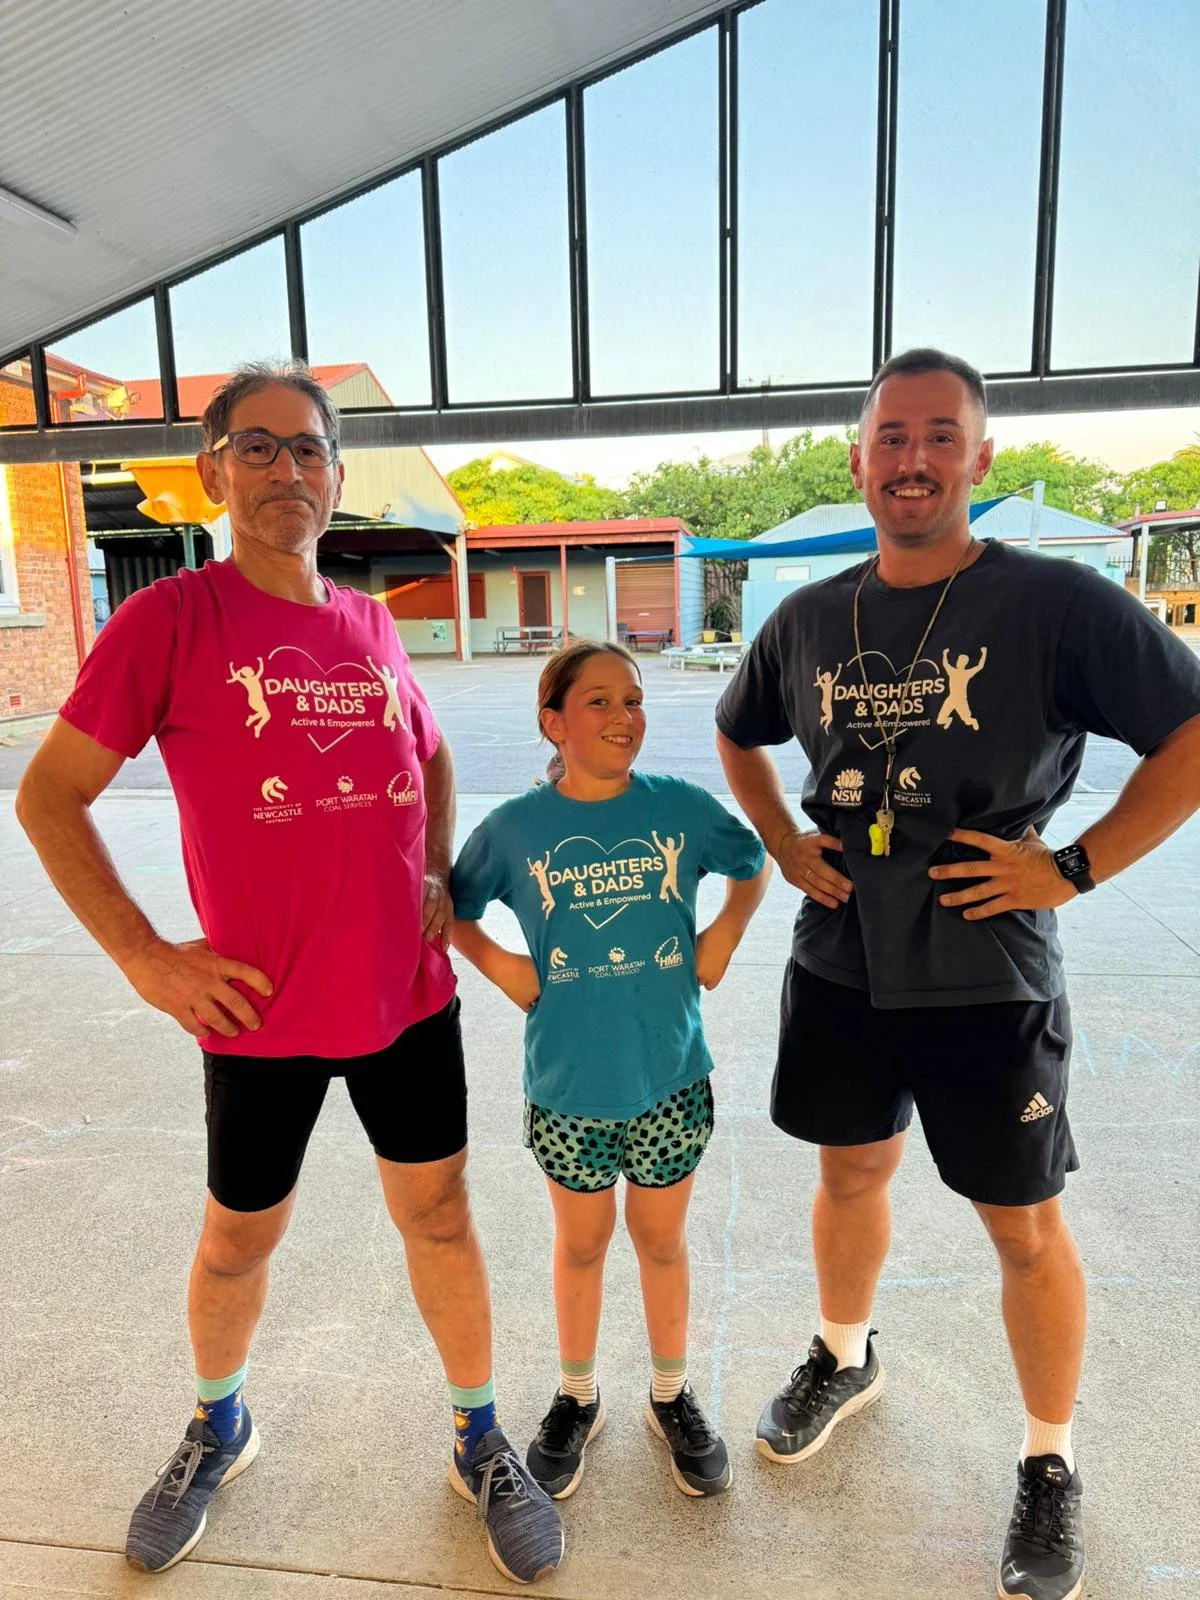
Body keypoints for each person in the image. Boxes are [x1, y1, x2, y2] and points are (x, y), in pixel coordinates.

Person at [15, 361, 563, 1586]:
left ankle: (479, 1434)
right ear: (213, 470)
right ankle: (220, 1420)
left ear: (335, 474)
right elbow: (49, 796)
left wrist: (437, 882)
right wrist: (146, 956)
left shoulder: (368, 622)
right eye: (255, 449)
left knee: (441, 1216)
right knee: (236, 1242)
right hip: (258, 1015)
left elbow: (428, 753)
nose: (285, 471)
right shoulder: (170, 621)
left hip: (405, 1003)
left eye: (307, 450)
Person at [714, 347, 1200, 1600]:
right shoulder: (812, 616)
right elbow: (736, 726)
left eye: (941, 436)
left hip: (988, 965)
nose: (913, 459)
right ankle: (844, 1351)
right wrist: (780, 836)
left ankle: (1049, 1458)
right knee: (850, 1167)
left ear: (980, 459)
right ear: (859, 457)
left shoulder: (1053, 604)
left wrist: (1076, 866)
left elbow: (1191, 732)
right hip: (839, 959)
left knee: (1023, 1226)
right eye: (891, 437)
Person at [450, 641, 769, 1503]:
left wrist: (723, 937)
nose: (623, 717)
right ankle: (576, 1395)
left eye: (632, 701)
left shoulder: (680, 809)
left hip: (668, 1076)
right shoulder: (515, 828)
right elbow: (448, 904)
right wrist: (502, 964)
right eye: (598, 702)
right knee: (583, 1245)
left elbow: (753, 863)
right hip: (568, 1089)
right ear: (552, 720)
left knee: (661, 1242)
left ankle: (671, 1393)